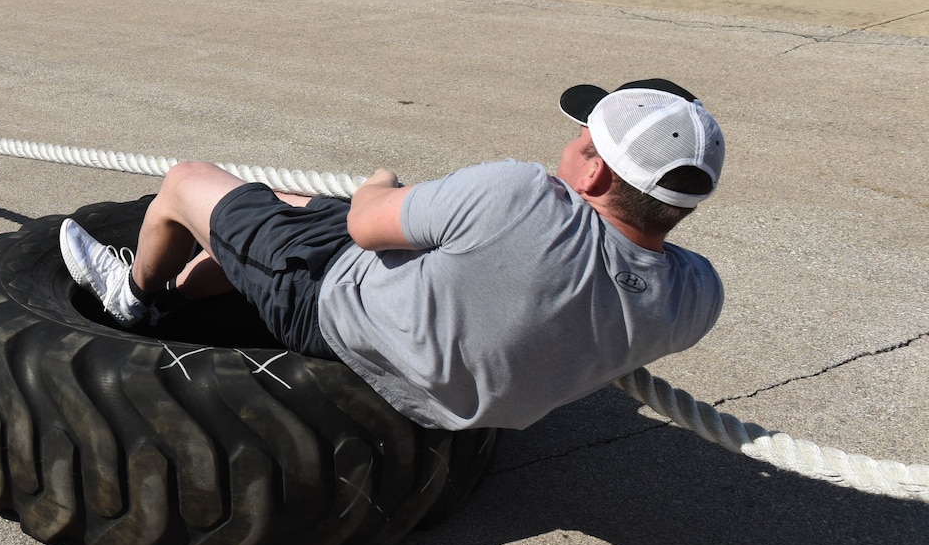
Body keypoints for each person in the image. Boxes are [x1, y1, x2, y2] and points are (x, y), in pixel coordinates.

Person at [60, 79, 727, 431]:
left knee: (185, 182)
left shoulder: (519, 196)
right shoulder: (695, 296)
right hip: (450, 382)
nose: (570, 146)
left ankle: (137, 298)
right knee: (277, 202)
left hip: (331, 299)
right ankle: (202, 278)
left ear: (595, 176)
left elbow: (364, 221)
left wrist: (380, 183)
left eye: (582, 140)